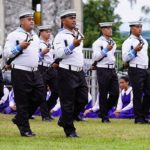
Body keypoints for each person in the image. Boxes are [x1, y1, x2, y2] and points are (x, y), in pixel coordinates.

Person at [4, 10, 45, 137]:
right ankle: (25, 130)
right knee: (23, 101)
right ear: (22, 22)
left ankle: (20, 118)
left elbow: (34, 54)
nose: (32, 21)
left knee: (40, 96)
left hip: (35, 71)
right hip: (20, 71)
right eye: (28, 19)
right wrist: (19, 47)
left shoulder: (35, 36)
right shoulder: (14, 35)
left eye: (32, 19)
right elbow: (7, 54)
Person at [53, 9, 88, 137]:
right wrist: (72, 46)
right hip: (66, 71)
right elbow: (59, 54)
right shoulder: (60, 36)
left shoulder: (77, 34)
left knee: (83, 99)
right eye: (70, 17)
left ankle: (64, 120)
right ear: (63, 20)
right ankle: (70, 130)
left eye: (74, 17)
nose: (74, 20)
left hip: (79, 72)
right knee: (67, 102)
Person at [122, 21, 150, 124]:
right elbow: (124, 58)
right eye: (137, 27)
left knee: (148, 93)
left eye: (140, 27)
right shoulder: (128, 42)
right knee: (138, 94)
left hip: (146, 69)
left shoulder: (144, 41)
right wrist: (134, 51)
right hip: (135, 69)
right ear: (132, 29)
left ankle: (144, 115)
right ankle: (138, 118)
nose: (140, 29)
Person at [92, 22, 119, 123]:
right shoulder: (97, 43)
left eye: (111, 28)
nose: (110, 30)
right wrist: (106, 50)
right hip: (102, 69)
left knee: (115, 93)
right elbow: (95, 57)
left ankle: (103, 111)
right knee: (103, 93)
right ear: (103, 30)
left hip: (112, 69)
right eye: (108, 28)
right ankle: (104, 117)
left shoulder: (113, 42)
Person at [38, 25, 59, 121]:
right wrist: (42, 53)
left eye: (50, 31)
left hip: (52, 68)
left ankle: (47, 109)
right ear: (41, 33)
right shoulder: (37, 43)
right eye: (47, 31)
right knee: (42, 92)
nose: (49, 33)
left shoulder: (52, 44)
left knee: (56, 91)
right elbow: (34, 57)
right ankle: (45, 115)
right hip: (41, 67)